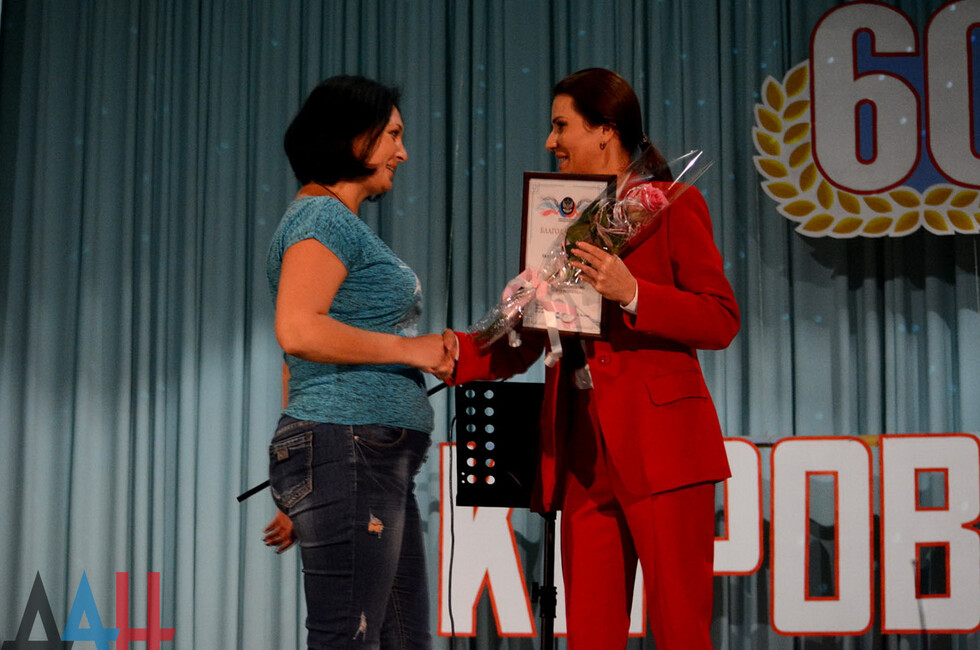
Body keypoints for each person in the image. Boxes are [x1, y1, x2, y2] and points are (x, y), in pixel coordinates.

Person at [444, 68, 740, 649]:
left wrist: (634, 293)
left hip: (664, 450)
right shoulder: (560, 219)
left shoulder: (674, 204)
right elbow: (534, 335)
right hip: (582, 454)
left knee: (681, 631)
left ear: (606, 129)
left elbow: (721, 317)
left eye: (561, 126)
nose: (550, 141)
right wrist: (455, 353)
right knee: (590, 636)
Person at [264, 74, 452, 650]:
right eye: (393, 134)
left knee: (402, 640)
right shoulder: (322, 220)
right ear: (354, 138)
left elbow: (295, 362)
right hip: (349, 451)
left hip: (357, 457)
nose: (403, 151)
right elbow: (298, 330)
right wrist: (411, 349)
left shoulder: (332, 221)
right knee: (349, 640)